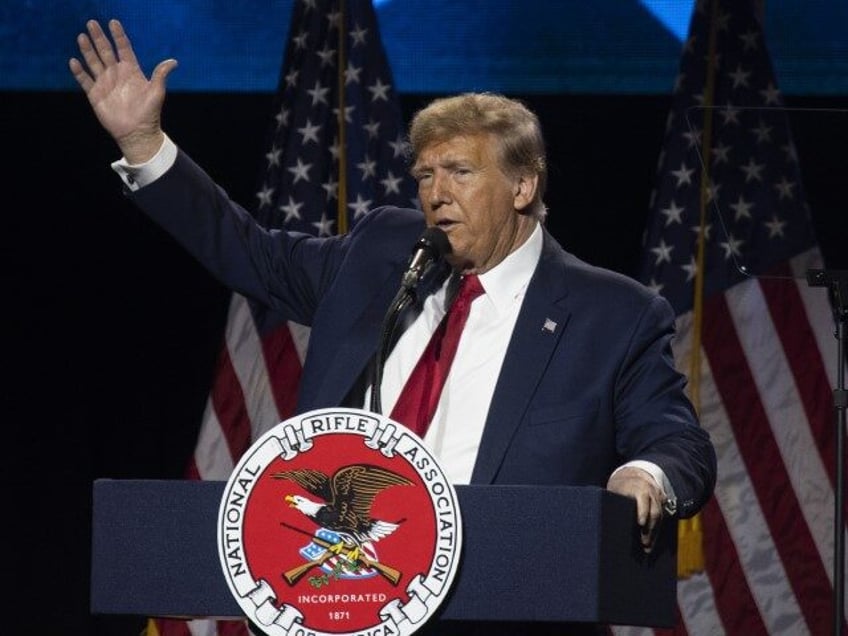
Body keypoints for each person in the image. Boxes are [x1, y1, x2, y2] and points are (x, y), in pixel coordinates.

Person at [71, 18, 716, 635]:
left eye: (461, 173)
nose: (436, 194)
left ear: (523, 186)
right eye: (426, 175)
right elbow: (253, 254)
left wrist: (644, 476)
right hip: (339, 602)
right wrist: (144, 146)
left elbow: (678, 443)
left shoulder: (611, 314)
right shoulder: (384, 251)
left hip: (502, 615)